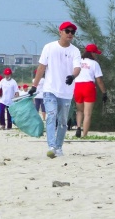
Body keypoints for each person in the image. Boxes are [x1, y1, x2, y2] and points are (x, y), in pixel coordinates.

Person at [30, 21, 81, 158]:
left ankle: (59, 147)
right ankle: (51, 146)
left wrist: (73, 76)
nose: (70, 34)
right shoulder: (49, 47)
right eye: (67, 31)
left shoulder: (75, 51)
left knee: (63, 121)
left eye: (72, 32)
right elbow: (41, 68)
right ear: (60, 32)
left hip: (66, 92)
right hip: (50, 89)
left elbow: (77, 67)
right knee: (51, 116)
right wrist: (34, 86)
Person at [74, 44, 108, 138]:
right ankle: (84, 135)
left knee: (79, 110)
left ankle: (78, 127)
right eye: (95, 53)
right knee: (87, 113)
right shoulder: (94, 63)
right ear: (92, 53)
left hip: (77, 86)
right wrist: (104, 92)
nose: (96, 55)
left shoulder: (78, 62)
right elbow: (99, 80)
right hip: (88, 86)